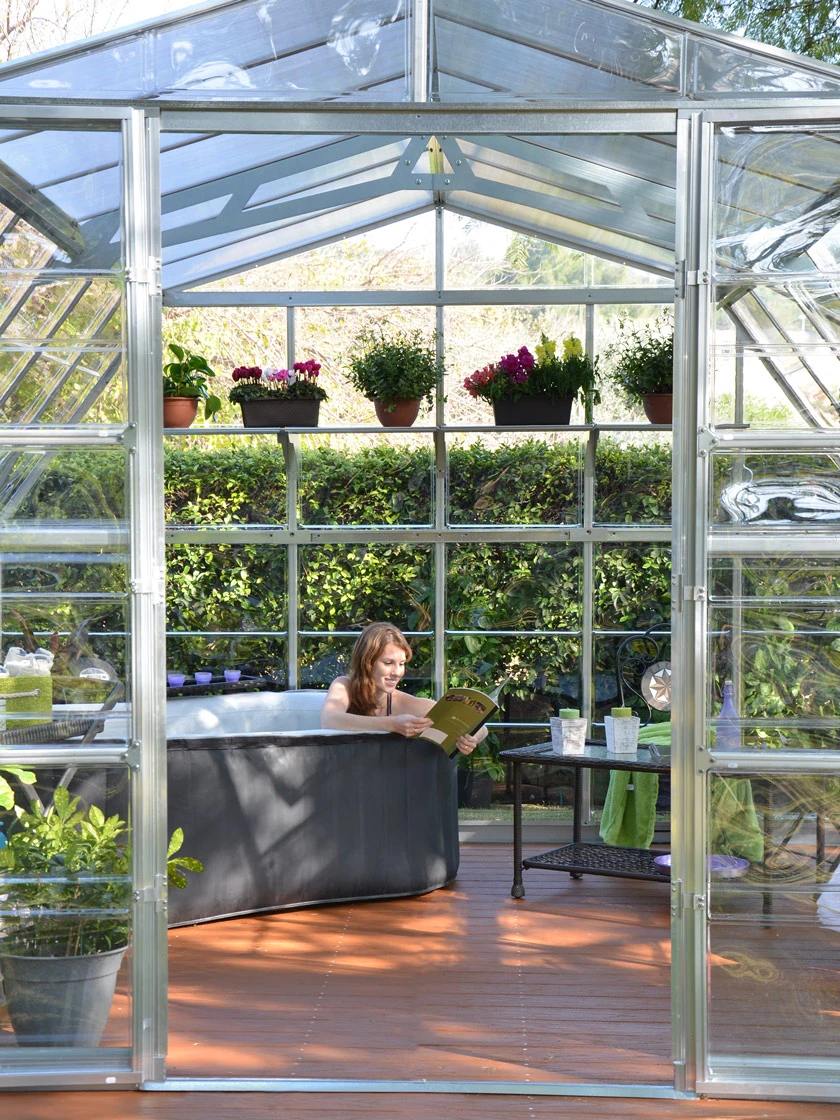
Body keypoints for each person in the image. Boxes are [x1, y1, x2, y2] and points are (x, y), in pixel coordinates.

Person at [321, 621, 485, 756]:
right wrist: (392, 724)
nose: (397, 672)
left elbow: (481, 728)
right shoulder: (343, 686)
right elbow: (329, 721)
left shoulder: (405, 702)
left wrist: (471, 739)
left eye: (401, 664)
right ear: (367, 662)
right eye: (388, 663)